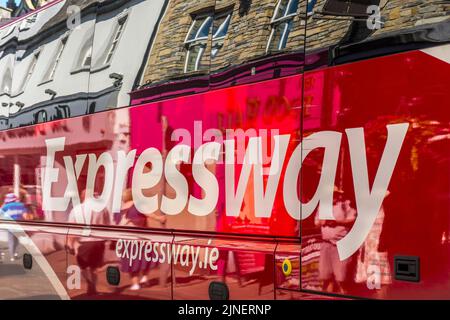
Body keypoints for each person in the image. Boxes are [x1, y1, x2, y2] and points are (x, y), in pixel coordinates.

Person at [118, 189, 166, 291]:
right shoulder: (137, 206)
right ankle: (144, 277)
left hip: (126, 239)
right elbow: (148, 214)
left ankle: (135, 284)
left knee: (131, 262)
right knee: (147, 258)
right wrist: (159, 218)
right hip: (141, 238)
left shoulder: (122, 208)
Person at [67, 189, 110, 296]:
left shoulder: (77, 209)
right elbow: (107, 225)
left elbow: (72, 229)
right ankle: (93, 287)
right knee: (94, 267)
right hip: (99, 242)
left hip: (83, 243)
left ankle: (90, 284)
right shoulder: (103, 209)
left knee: (84, 267)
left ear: (83, 196)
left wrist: (70, 244)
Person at [315, 187, 357, 294]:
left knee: (341, 279)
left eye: (333, 194)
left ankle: (344, 295)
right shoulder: (323, 206)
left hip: (340, 246)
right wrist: (322, 222)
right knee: (326, 277)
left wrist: (337, 222)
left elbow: (353, 219)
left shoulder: (345, 205)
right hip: (326, 244)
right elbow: (316, 222)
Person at [0, 193, 28, 261]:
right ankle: (16, 253)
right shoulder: (20, 205)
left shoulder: (5, 207)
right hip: (18, 225)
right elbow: (25, 215)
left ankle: (12, 256)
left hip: (10, 225)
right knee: (17, 239)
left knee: (11, 241)